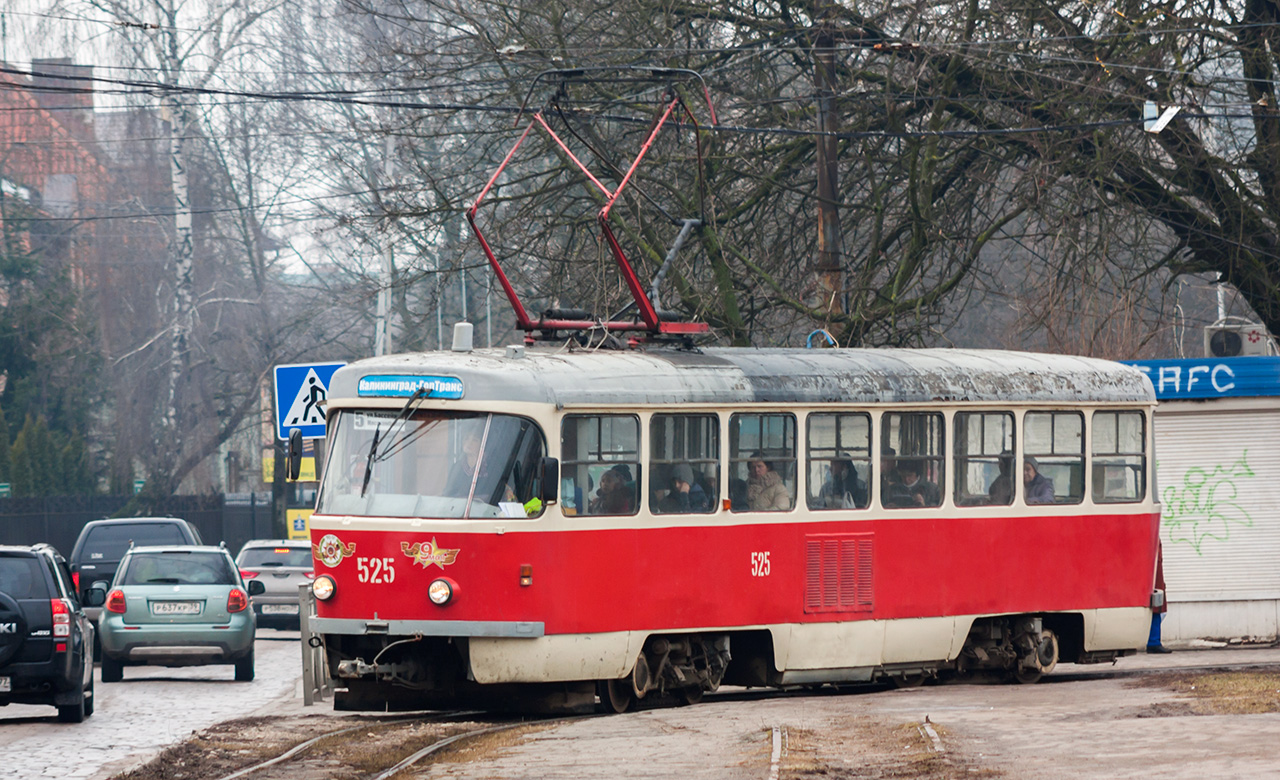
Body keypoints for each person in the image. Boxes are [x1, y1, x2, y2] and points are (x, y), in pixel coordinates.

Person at [1148, 541, 1171, 653]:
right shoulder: (1153, 537)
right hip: (1154, 580)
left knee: (1156, 609)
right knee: (1156, 609)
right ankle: (1153, 641)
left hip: (1154, 579)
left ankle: (1153, 640)